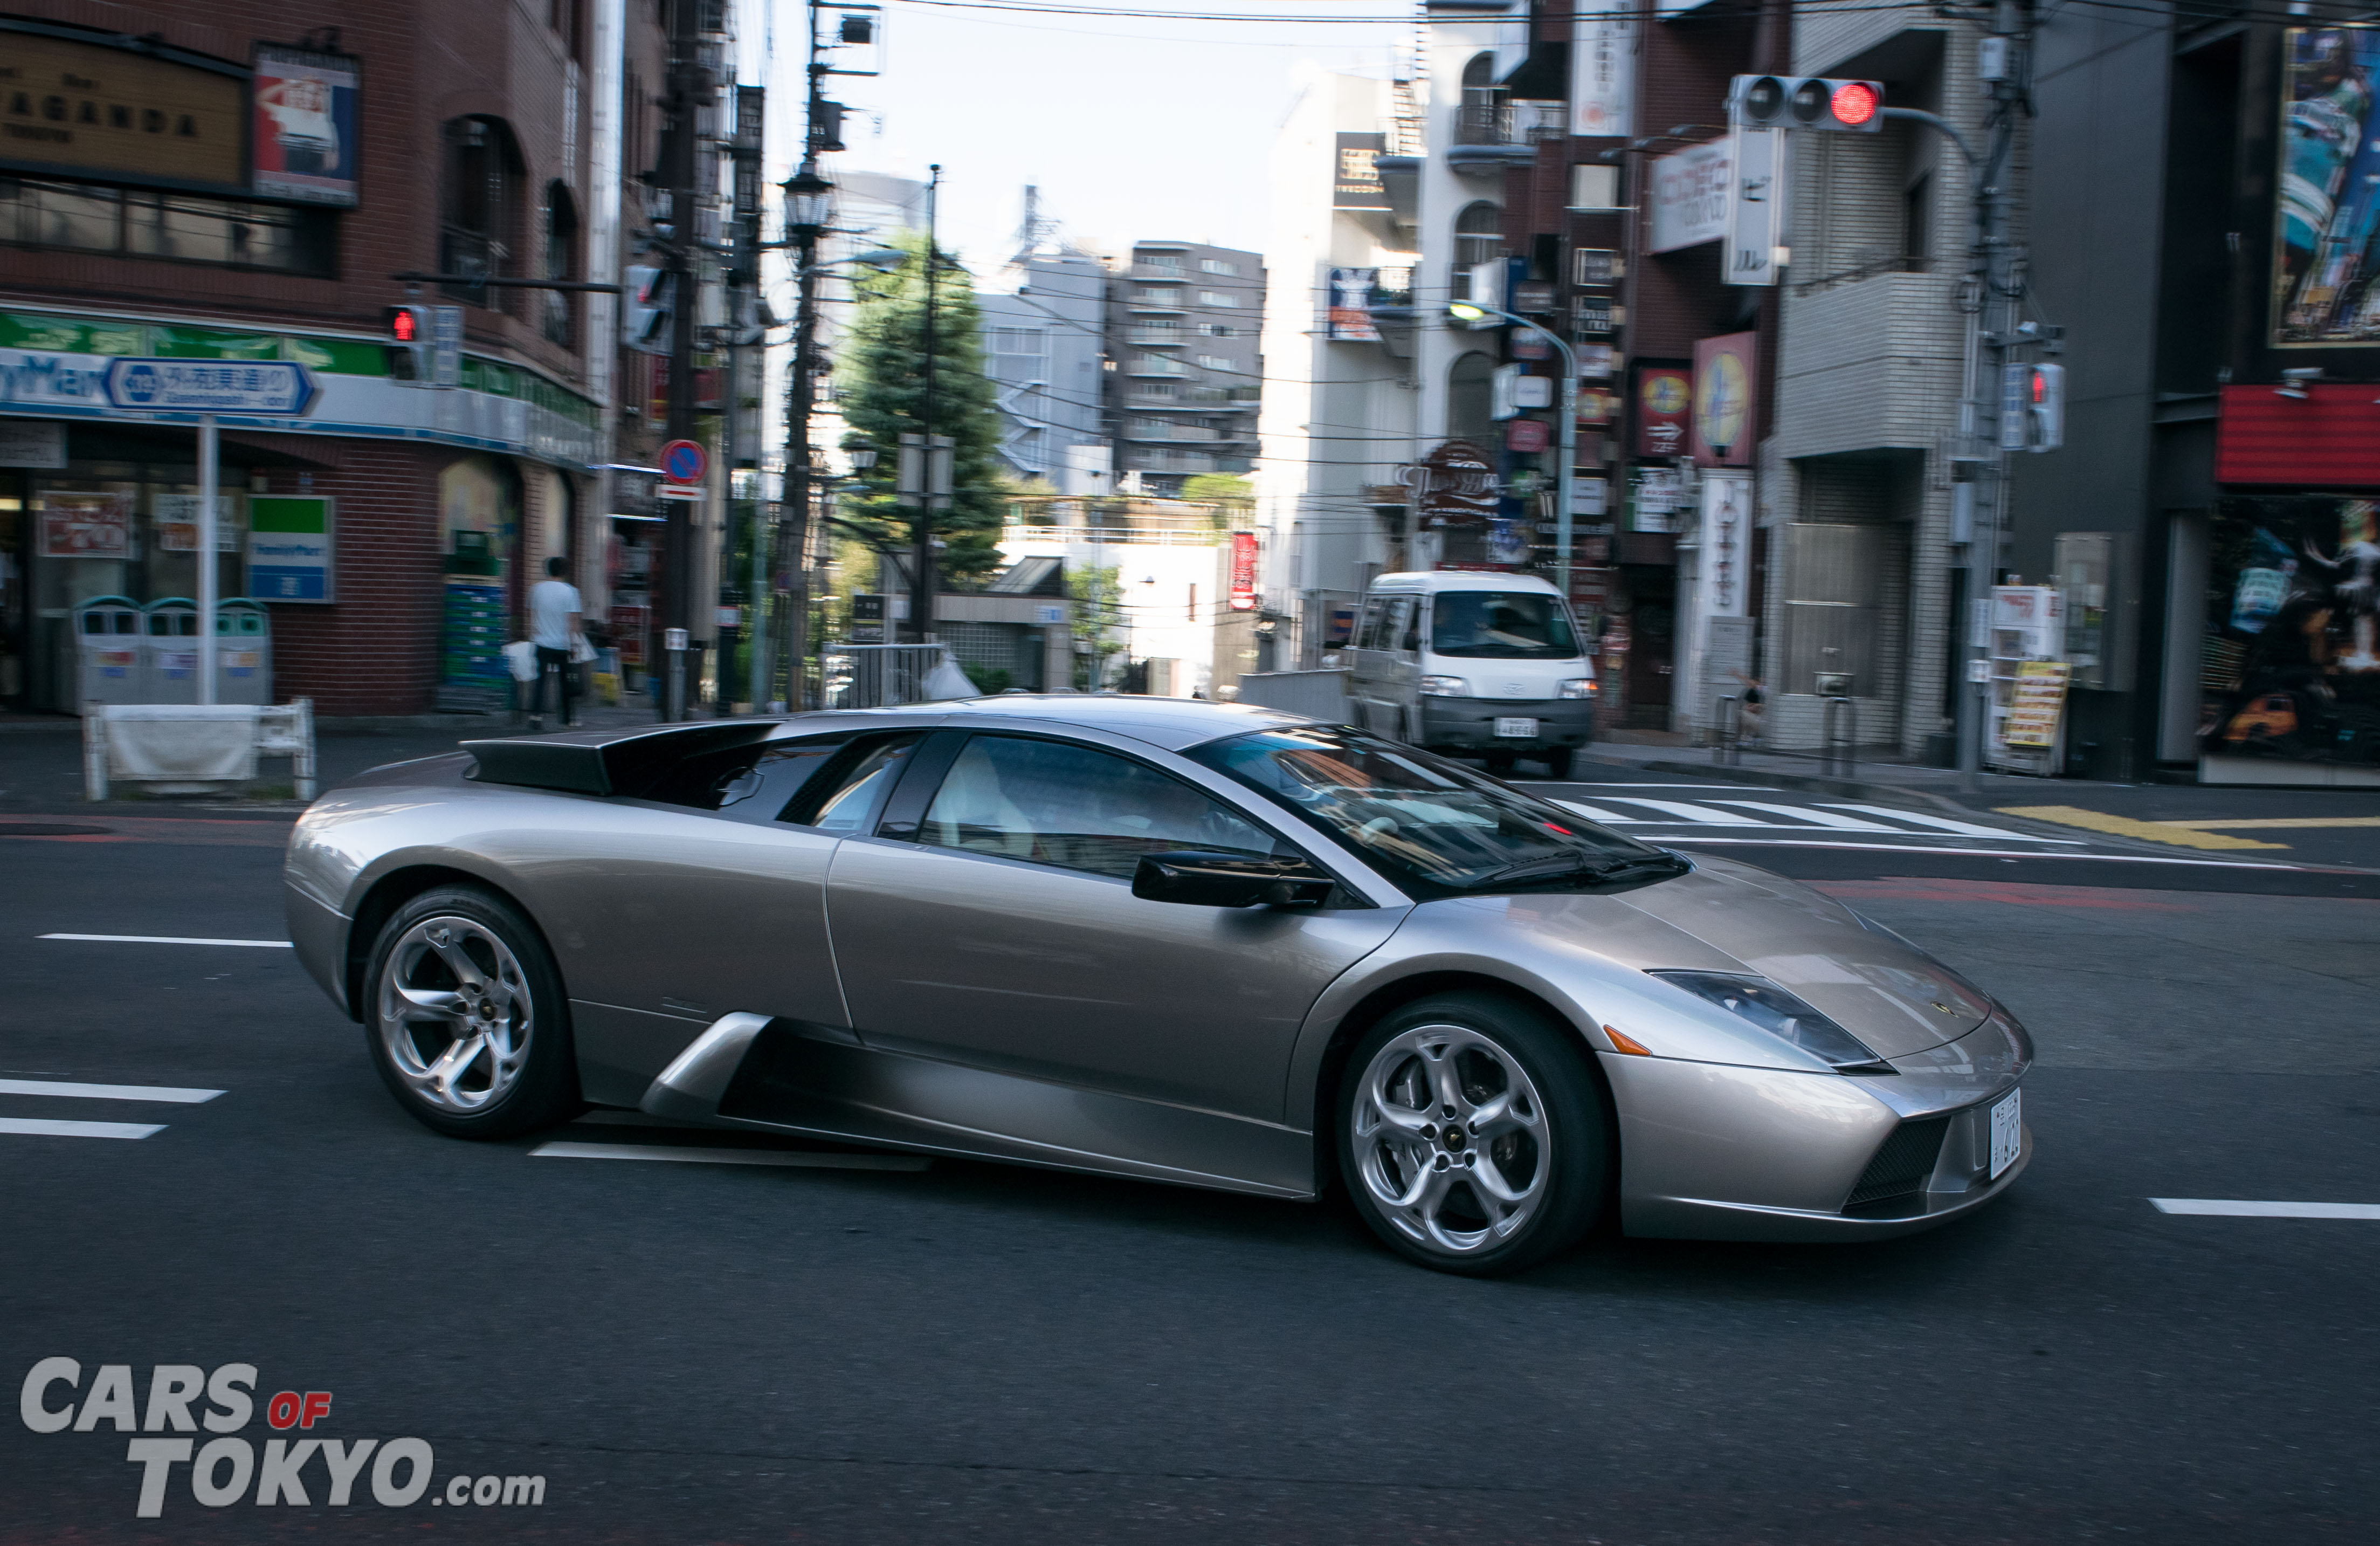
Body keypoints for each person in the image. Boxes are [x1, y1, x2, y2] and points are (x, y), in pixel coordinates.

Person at [527, 555, 583, 730]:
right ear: (564, 571)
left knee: (540, 681)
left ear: (548, 570)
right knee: (566, 682)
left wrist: (533, 635)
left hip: (542, 642)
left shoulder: (536, 590)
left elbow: (532, 616)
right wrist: (574, 645)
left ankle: (536, 716)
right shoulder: (571, 592)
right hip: (562, 644)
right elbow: (572, 622)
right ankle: (568, 718)